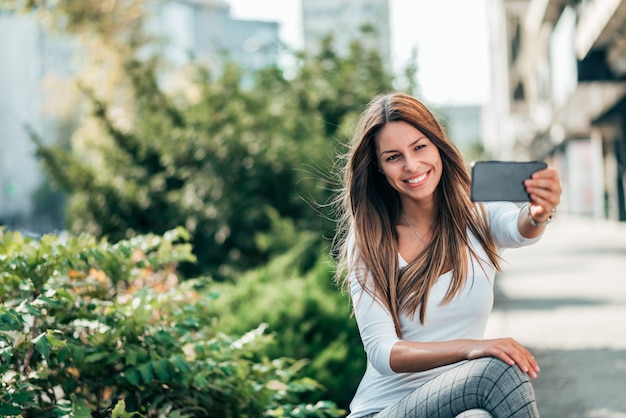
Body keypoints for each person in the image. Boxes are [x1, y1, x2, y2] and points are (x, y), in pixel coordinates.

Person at [332, 92, 562, 418]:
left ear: (437, 144)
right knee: (497, 372)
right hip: (385, 410)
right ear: (380, 168)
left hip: (458, 402)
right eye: (394, 157)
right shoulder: (370, 239)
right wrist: (473, 348)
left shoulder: (474, 208)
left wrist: (537, 214)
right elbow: (384, 352)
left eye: (419, 147)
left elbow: (516, 229)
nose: (412, 165)